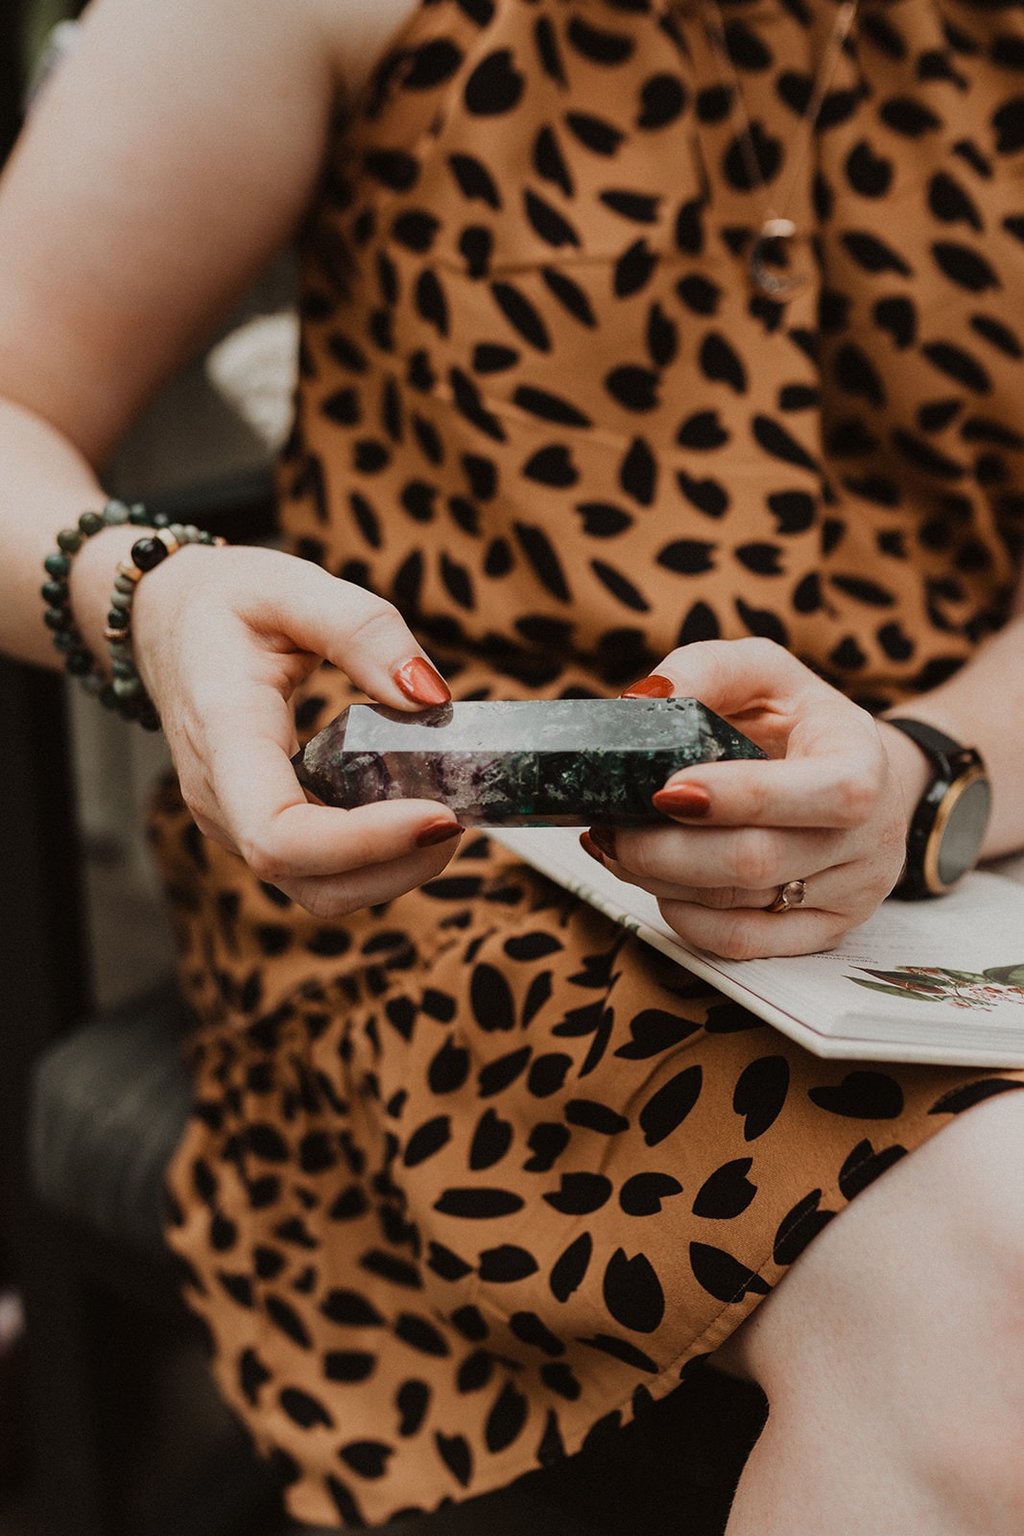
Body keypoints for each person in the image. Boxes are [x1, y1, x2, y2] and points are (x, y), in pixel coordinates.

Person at [2, 0, 1023, 1530]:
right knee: (992, 1310)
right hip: (455, 886)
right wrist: (150, 597)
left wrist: (930, 774)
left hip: (965, 838)